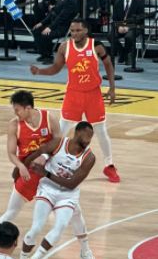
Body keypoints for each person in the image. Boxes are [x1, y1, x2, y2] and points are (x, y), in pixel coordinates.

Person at [0, 90, 100, 259]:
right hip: (29, 172)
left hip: (51, 173)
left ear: (28, 108)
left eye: (18, 109)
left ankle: (85, 251)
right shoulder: (14, 125)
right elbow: (11, 153)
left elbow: (58, 145)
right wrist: (20, 167)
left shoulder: (49, 118)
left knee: (76, 215)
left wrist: (44, 158)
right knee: (11, 212)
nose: (15, 113)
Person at [30, 18, 120, 184]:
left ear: (85, 31)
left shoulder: (96, 46)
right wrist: (40, 72)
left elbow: (108, 65)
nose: (75, 33)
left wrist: (112, 87)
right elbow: (56, 68)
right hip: (74, 94)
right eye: (72, 31)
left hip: (93, 94)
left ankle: (109, 165)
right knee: (61, 130)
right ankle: (45, 159)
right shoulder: (64, 47)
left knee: (101, 131)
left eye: (78, 30)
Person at [20, 121, 96, 259]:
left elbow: (71, 184)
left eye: (91, 138)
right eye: (86, 136)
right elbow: (36, 154)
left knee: (60, 226)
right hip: (47, 189)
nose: (88, 140)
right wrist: (20, 168)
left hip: (68, 194)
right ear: (77, 132)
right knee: (36, 227)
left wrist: (46, 173)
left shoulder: (89, 157)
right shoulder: (58, 143)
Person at [32, 0, 78, 64]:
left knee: (45, 34)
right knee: (36, 30)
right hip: (55, 25)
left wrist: (50, 27)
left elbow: (61, 17)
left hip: (63, 27)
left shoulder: (70, 2)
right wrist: (41, 23)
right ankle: (43, 54)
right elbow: (51, 14)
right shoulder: (60, 0)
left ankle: (49, 56)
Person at [112, 0, 145, 66]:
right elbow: (115, 18)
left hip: (135, 27)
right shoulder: (118, 2)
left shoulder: (139, 2)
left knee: (129, 36)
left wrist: (128, 27)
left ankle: (126, 56)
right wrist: (119, 26)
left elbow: (140, 19)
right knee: (110, 36)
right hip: (120, 26)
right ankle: (123, 53)